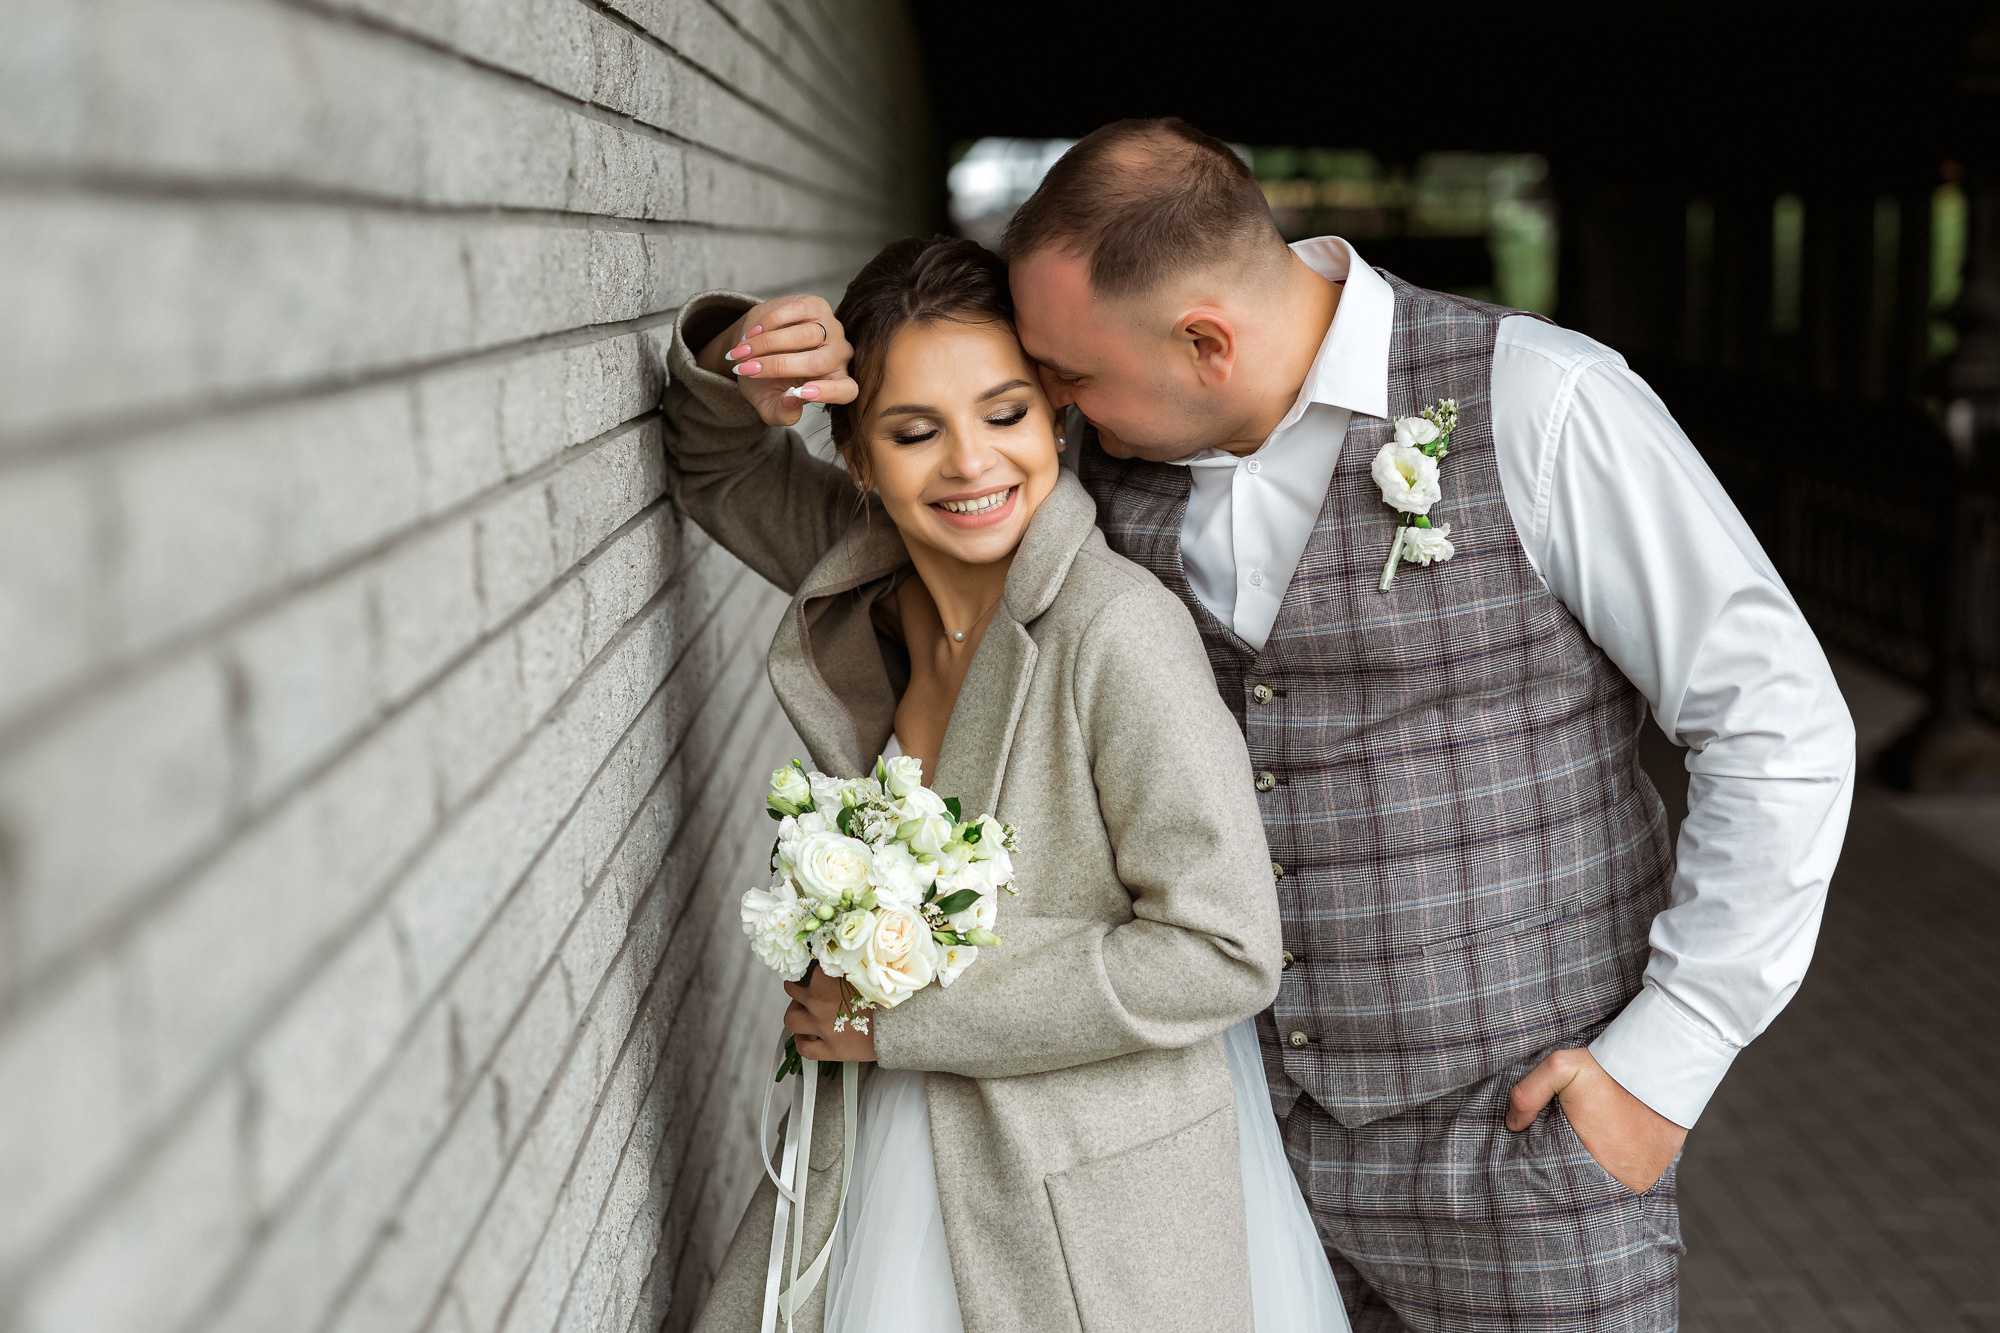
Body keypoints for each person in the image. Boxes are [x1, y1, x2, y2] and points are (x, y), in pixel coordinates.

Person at [758, 120, 1859, 1332]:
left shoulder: (1541, 404)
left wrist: (1668, 1062)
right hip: (1236, 1159)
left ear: (1203, 343)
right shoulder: (1112, 462)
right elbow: (883, 497)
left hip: (1522, 1152)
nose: (1056, 413)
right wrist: (765, 368)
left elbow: (1774, 724)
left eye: (1064, 381)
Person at [666, 237, 1350, 1333]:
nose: (970, 464)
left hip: (1074, 1196)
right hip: (890, 1140)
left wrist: (897, 1008)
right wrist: (737, 349)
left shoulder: (1116, 633)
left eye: (1005, 413)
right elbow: (715, 467)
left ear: (1056, 420)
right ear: (855, 456)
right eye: (913, 430)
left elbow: (1221, 949)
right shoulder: (867, 565)